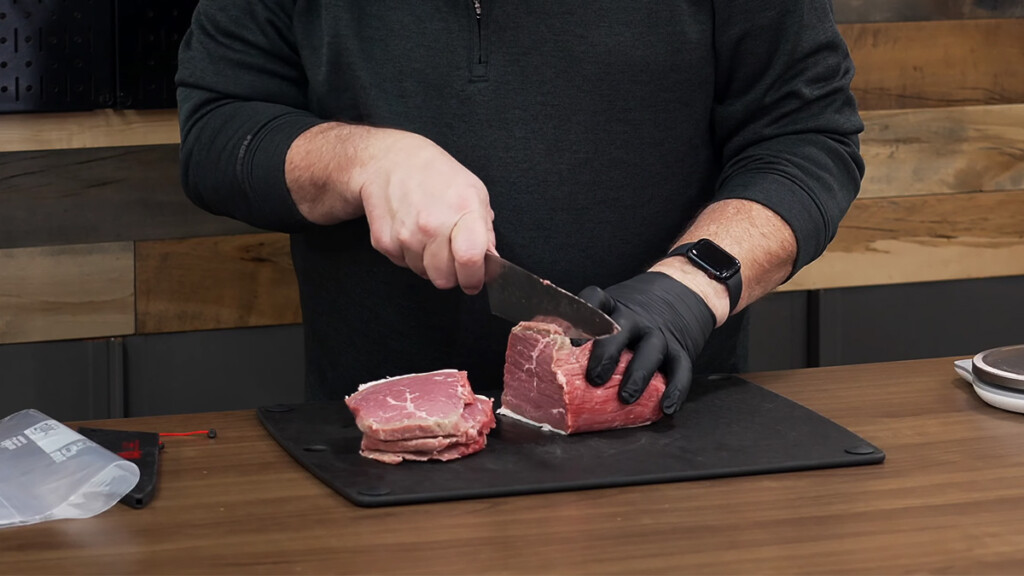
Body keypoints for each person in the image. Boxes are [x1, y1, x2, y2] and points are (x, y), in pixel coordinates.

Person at [175, 1, 864, 414]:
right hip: (381, 443)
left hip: (666, 423)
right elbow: (218, 132)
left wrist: (690, 287)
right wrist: (364, 160)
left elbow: (804, 138)